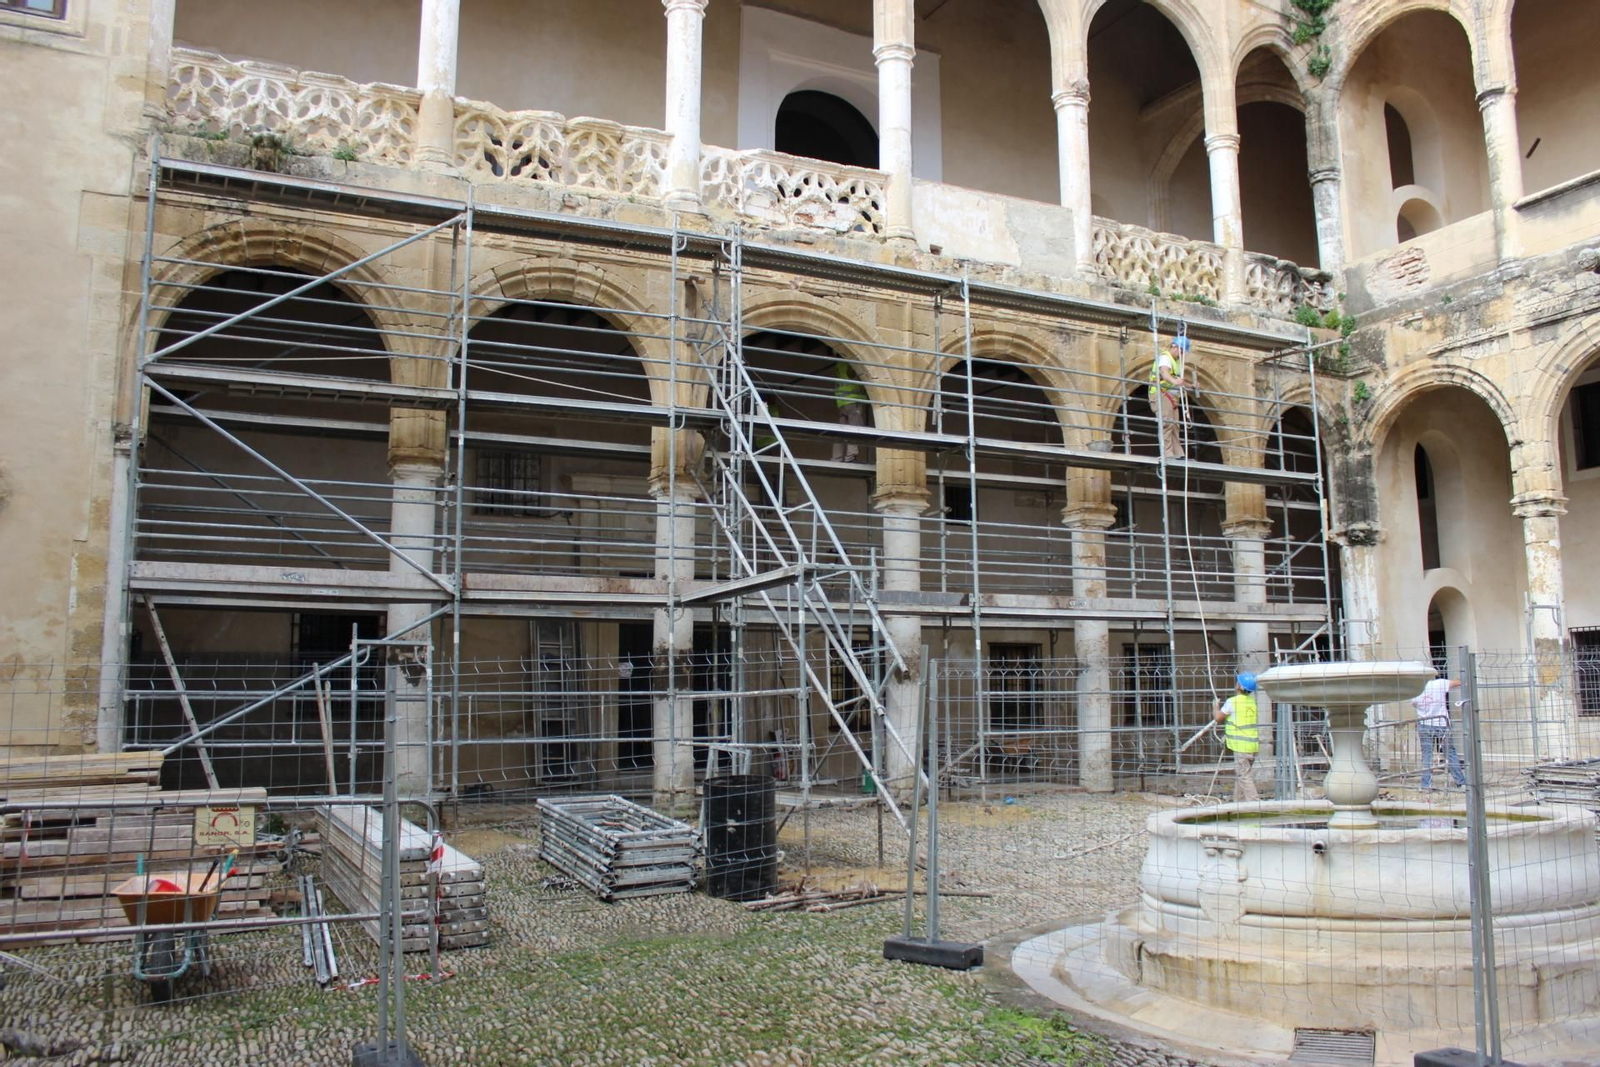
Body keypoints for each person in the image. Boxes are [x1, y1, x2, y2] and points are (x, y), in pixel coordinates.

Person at [1213, 671, 1260, 802]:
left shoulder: (1233, 702)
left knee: (1243, 775)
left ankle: (1255, 803)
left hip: (1241, 746)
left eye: (1238, 681)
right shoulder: (1251, 702)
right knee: (1242, 774)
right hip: (1252, 745)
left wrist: (1215, 706)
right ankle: (1237, 803)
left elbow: (1218, 718)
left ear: (1240, 686)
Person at [1413, 676, 1466, 790]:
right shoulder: (1439, 684)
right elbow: (1458, 682)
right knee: (1450, 753)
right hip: (1441, 723)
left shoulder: (1415, 689)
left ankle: (1426, 785)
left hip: (1424, 723)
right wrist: (1462, 676)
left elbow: (1415, 704)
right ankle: (1461, 782)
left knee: (1427, 755)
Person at [1147, 335, 1190, 460]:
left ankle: (1178, 454)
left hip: (1171, 397)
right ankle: (1167, 454)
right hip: (1161, 394)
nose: (1182, 355)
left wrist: (1191, 385)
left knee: (1175, 425)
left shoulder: (1176, 362)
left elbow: (1178, 379)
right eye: (1182, 351)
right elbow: (1165, 373)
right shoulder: (1165, 358)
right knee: (1167, 423)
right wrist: (1175, 382)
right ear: (1175, 347)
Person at [833, 361, 868, 462]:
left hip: (842, 403)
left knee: (841, 431)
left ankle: (836, 458)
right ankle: (851, 456)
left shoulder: (839, 365)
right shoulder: (850, 363)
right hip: (853, 401)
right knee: (854, 429)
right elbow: (855, 375)